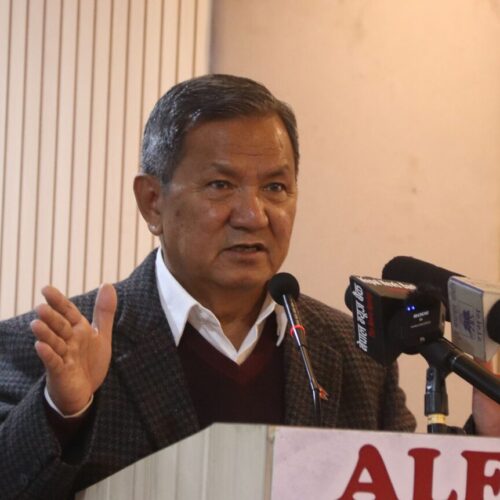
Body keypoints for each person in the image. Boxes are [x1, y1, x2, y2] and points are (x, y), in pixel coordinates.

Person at [0, 74, 497, 499]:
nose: (253, 215)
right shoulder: (48, 349)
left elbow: (403, 485)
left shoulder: (356, 354)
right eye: (221, 185)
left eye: (275, 187)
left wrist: (486, 441)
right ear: (152, 201)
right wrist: (63, 411)